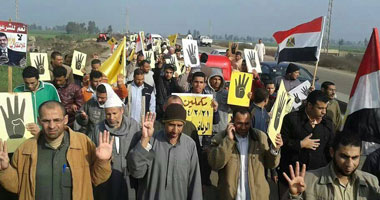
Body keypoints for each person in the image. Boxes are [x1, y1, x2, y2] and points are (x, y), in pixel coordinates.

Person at [0, 101, 114, 200]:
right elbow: (16, 186)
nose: (52, 126)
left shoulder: (83, 144)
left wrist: (103, 161)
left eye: (56, 120)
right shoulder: (25, 149)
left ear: (65, 119)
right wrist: (4, 170)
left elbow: (97, 178)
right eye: (46, 121)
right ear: (39, 121)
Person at [127, 105, 202, 200]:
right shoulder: (151, 141)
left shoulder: (190, 145)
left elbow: (194, 182)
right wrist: (145, 139)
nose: (175, 130)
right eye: (171, 125)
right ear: (164, 123)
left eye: (179, 126)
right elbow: (136, 172)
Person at [208, 108, 283, 200]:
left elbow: (271, 164)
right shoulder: (220, 138)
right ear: (232, 120)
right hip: (230, 196)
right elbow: (215, 164)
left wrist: (275, 149)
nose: (243, 127)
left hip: (257, 196)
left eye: (246, 124)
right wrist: (228, 140)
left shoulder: (260, 137)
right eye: (239, 123)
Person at [283, 131, 380, 199]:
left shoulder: (371, 183)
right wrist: (294, 196)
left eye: (355, 158)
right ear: (332, 152)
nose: (349, 164)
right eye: (344, 157)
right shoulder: (308, 181)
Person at [278, 90, 334, 199]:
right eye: (320, 108)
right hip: (291, 176)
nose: (324, 112)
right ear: (309, 106)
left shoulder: (327, 124)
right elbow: (281, 143)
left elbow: (330, 149)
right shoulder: (292, 119)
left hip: (316, 178)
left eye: (325, 108)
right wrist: (300, 144)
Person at [88, 91, 141, 200]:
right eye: (108, 114)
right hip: (106, 180)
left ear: (121, 111)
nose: (111, 117)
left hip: (128, 179)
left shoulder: (133, 126)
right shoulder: (98, 129)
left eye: (114, 113)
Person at [205, 67, 230, 134]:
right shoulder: (205, 92)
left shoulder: (226, 93)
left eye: (219, 79)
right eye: (215, 79)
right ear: (210, 80)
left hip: (221, 128)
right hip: (207, 128)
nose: (217, 81)